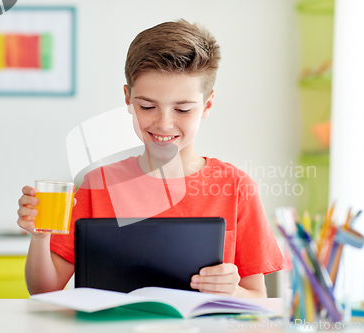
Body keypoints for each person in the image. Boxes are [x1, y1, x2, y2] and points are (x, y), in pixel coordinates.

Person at [17, 19, 283, 298]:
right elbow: (43, 291)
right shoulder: (97, 185)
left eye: (182, 110)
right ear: (128, 98)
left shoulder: (236, 186)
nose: (164, 124)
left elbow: (258, 297)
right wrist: (40, 236)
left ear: (207, 105)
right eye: (147, 106)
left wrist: (234, 290)